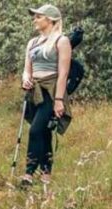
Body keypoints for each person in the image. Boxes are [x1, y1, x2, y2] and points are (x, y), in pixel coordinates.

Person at [21, 4, 72, 186]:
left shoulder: (61, 41)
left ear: (50, 20)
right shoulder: (32, 43)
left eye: (38, 17)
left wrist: (59, 100)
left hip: (51, 91)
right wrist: (26, 79)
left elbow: (63, 74)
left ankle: (28, 173)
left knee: (35, 130)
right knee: (43, 133)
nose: (34, 20)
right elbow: (27, 70)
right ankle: (46, 174)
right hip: (34, 91)